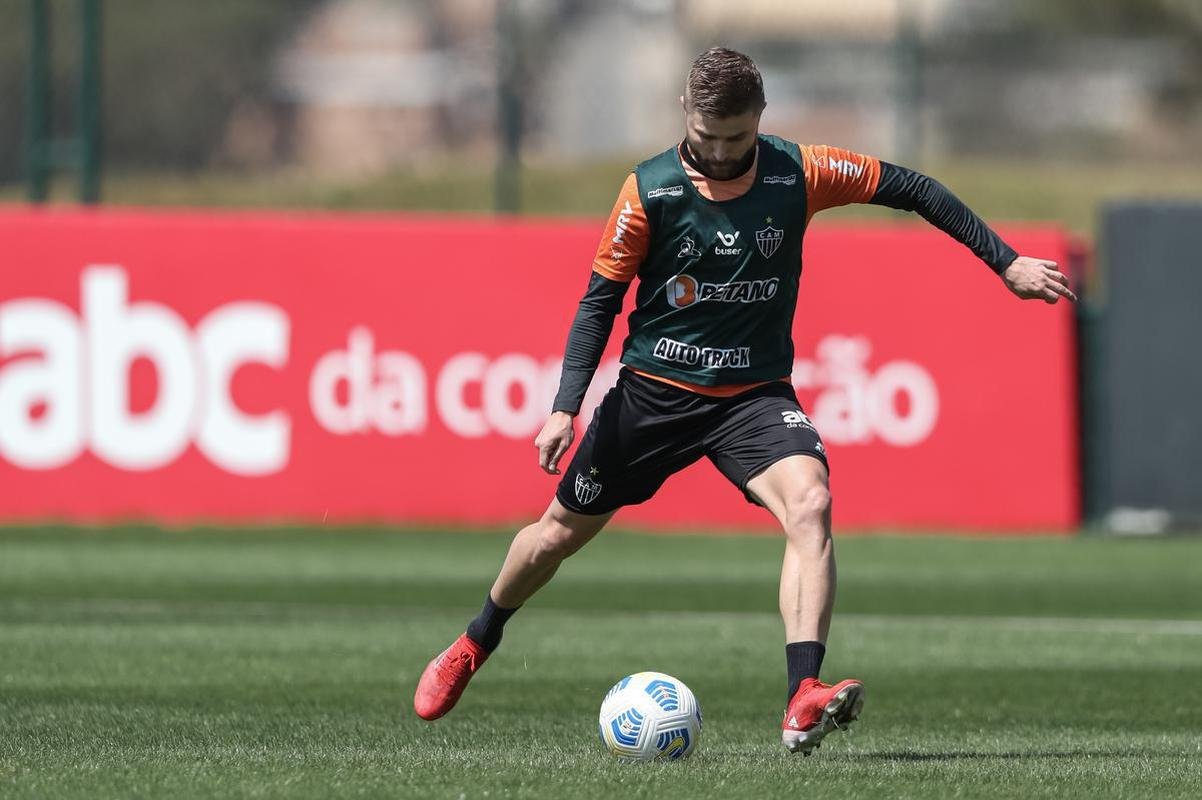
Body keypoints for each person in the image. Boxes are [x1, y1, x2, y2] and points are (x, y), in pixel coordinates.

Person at [414, 47, 1076, 755]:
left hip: (753, 398)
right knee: (554, 536)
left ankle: (802, 696)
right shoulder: (651, 190)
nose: (722, 152)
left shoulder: (802, 170)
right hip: (654, 395)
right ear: (685, 114)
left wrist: (1004, 260)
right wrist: (565, 406)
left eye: (737, 136)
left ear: (760, 117)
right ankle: (476, 640)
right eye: (708, 137)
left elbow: (913, 188)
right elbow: (599, 302)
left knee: (812, 503)